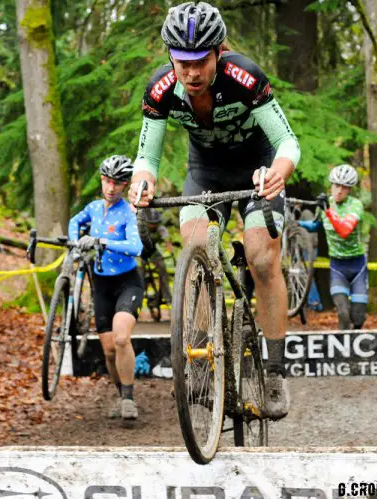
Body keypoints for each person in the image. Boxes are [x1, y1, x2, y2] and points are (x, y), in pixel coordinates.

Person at [128, 1, 301, 420]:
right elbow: (146, 158)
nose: (191, 72)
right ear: (170, 56)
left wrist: (278, 172)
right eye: (182, 62)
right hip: (205, 174)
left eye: (200, 61)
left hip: (255, 173)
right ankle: (207, 355)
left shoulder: (244, 77)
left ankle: (275, 371)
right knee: (196, 249)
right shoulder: (160, 89)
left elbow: (288, 142)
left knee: (261, 258)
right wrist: (142, 182)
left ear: (218, 52)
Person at [69, 155, 144, 421]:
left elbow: (136, 248)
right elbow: (74, 223)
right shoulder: (92, 208)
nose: (111, 188)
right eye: (107, 181)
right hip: (100, 285)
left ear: (125, 186)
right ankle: (121, 394)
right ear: (102, 180)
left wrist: (102, 240)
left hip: (127, 282)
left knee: (122, 338)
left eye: (117, 183)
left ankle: (129, 399)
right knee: (110, 351)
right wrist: (75, 243)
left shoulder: (128, 213)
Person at [298, 165, 367, 331]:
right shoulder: (325, 204)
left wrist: (328, 211)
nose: (339, 190)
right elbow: (315, 226)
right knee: (343, 312)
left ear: (350, 189)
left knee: (358, 316)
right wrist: (296, 223)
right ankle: (345, 349)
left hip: (357, 265)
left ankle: (356, 339)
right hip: (337, 266)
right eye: (336, 185)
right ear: (331, 185)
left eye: (344, 187)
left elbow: (344, 230)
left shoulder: (355, 205)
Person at [141, 208, 173, 305]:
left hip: (153, 252)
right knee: (140, 273)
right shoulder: (141, 228)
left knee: (163, 269)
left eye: (155, 223)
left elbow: (168, 243)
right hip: (141, 252)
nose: (153, 225)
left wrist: (170, 251)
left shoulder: (161, 229)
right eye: (151, 223)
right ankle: (139, 294)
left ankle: (168, 298)